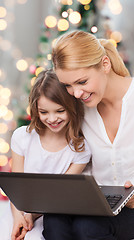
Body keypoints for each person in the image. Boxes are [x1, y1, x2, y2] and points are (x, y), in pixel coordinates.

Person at [43, 30, 134, 240]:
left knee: (87, 227)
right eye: (68, 86)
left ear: (105, 64)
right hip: (95, 201)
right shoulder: (78, 108)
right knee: (53, 220)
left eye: (82, 82)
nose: (76, 93)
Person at [0, 69, 91, 240]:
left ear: (72, 107)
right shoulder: (22, 137)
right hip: (19, 211)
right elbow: (16, 189)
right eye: (44, 112)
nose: (52, 118)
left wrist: (31, 216)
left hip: (49, 214)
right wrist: (19, 216)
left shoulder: (80, 149)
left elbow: (57, 197)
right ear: (35, 109)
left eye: (59, 111)